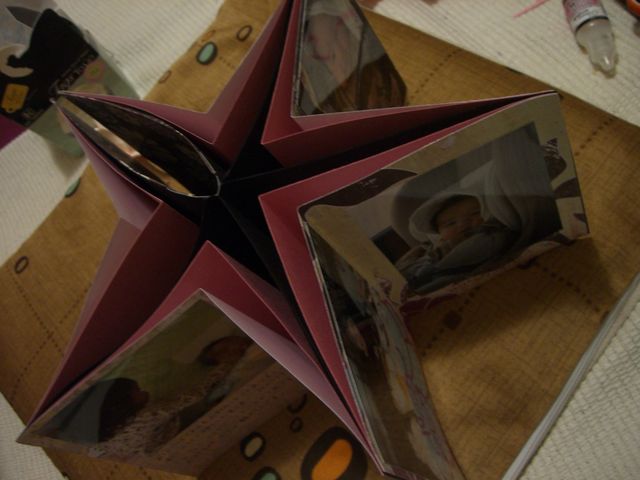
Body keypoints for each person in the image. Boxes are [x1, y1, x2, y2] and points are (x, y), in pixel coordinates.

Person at [396, 193, 518, 292]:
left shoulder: (490, 233)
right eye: (451, 223)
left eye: (475, 214)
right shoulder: (429, 250)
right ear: (439, 234)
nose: (463, 224)